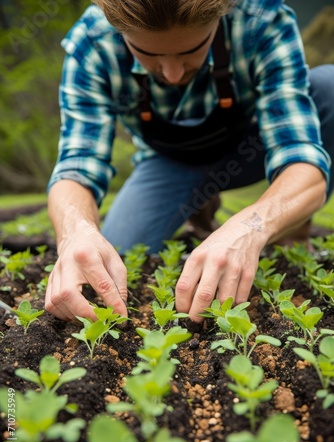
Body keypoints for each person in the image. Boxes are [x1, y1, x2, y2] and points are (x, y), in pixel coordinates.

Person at [45, 0, 334, 323]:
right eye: (148, 54)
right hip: (171, 162)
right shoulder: (93, 42)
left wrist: (251, 227)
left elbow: (301, 157)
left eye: (190, 51)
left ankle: (292, 233)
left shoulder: (261, 20)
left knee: (329, 86)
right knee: (121, 252)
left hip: (255, 147)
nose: (171, 74)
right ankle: (199, 203)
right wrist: (75, 232)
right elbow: (77, 166)